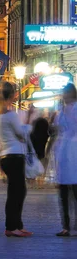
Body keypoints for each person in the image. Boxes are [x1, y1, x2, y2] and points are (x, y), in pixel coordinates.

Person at [0, 82, 34, 238]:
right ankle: (12, 226)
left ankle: (16, 225)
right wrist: (29, 119)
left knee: (16, 192)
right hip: (15, 155)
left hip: (5, 156)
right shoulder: (10, 115)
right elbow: (21, 133)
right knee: (17, 193)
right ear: (11, 96)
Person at [53, 83, 77, 236]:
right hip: (62, 152)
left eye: (66, 93)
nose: (64, 96)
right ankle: (66, 225)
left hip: (74, 150)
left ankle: (74, 225)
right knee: (62, 192)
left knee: (75, 191)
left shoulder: (75, 109)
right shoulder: (60, 111)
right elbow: (57, 129)